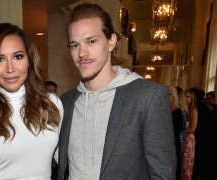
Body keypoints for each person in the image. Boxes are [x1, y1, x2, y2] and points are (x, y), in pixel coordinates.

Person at [57, 3, 176, 180]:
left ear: (111, 41)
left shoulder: (148, 97)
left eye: (91, 41)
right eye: (74, 45)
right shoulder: (66, 102)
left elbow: (163, 175)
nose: (82, 53)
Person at [0, 23, 63, 180]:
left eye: (18, 57)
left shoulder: (51, 103)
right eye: (0, 59)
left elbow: (62, 165)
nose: (10, 68)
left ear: (29, 59)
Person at [168, 86, 187, 180]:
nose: (167, 96)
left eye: (169, 94)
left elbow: (175, 132)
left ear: (175, 96)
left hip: (174, 144)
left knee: (174, 170)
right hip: (167, 144)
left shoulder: (178, 112)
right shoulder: (166, 110)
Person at [182, 89, 198, 180]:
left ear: (192, 99)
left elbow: (192, 129)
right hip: (181, 138)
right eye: (184, 96)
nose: (186, 98)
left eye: (188, 97)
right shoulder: (182, 109)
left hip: (189, 140)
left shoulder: (193, 111)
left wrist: (180, 130)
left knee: (186, 164)